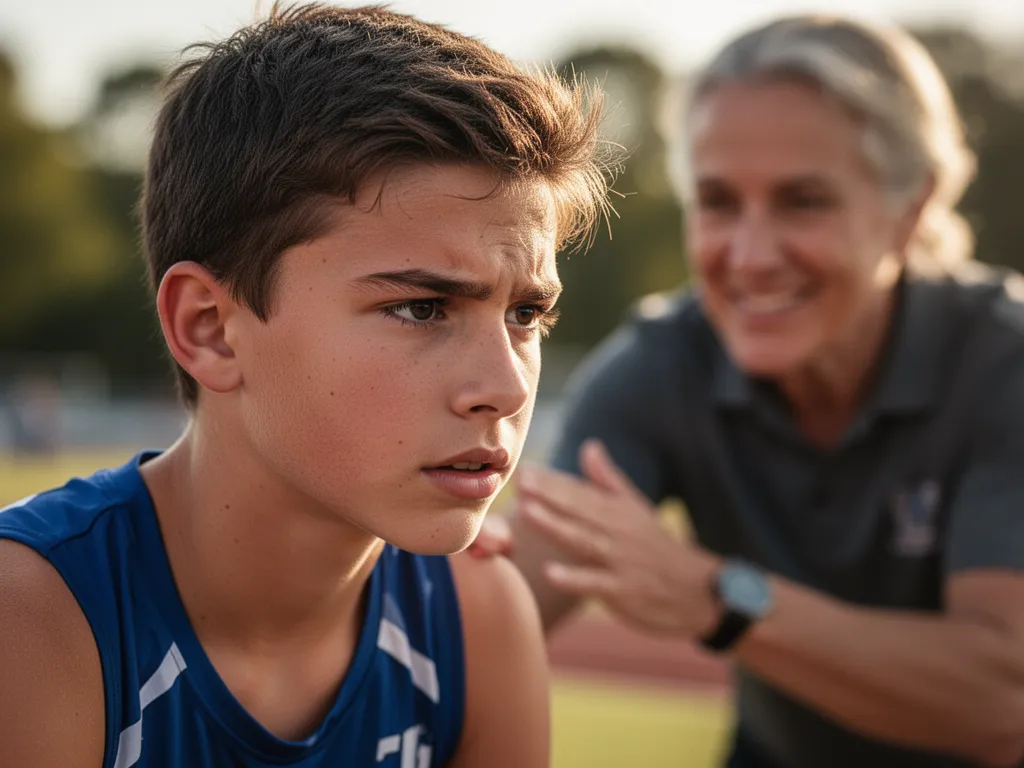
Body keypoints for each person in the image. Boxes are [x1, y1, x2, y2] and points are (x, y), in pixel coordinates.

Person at [0, 5, 614, 767]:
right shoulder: (32, 622)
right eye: (421, 308)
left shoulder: (475, 617)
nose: (507, 388)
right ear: (209, 328)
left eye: (526, 314)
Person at [473, 14, 1024, 768]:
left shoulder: (1005, 364)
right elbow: (485, 611)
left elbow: (1005, 702)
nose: (752, 256)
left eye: (804, 201)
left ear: (910, 209)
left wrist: (717, 597)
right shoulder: (665, 363)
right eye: (719, 202)